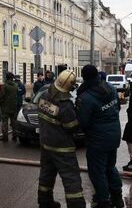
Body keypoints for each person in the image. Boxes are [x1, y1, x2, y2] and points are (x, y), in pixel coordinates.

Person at [76, 65, 124, 208]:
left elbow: (83, 122)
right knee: (110, 167)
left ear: (84, 78)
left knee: (97, 171)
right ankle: (117, 198)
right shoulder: (110, 87)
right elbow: (118, 108)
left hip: (98, 139)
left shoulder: (86, 97)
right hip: (114, 135)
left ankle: (103, 201)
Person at [37, 69, 85, 208]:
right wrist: (78, 113)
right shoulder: (65, 105)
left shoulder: (45, 95)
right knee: (71, 179)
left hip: (46, 144)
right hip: (62, 148)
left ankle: (45, 203)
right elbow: (71, 127)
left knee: (46, 175)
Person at [0, 72, 19, 142]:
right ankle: (15, 135)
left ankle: (5, 136)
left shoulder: (4, 86)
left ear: (6, 77)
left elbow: (1, 96)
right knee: (14, 122)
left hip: (5, 106)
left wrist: (0, 103)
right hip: (14, 106)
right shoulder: (16, 85)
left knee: (4, 122)